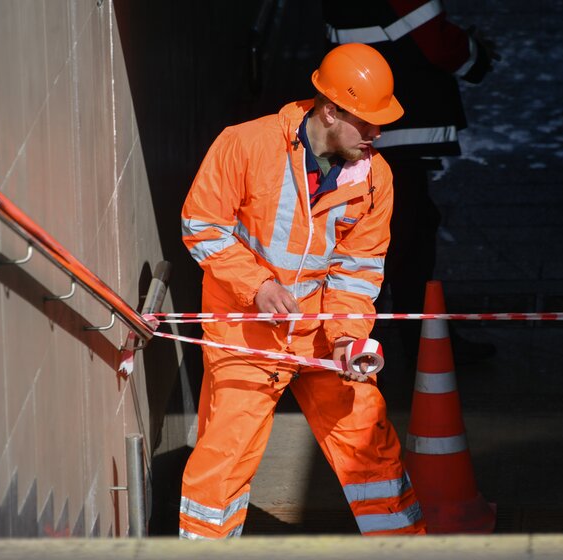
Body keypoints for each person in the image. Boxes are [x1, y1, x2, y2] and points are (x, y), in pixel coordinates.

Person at [179, 43, 425, 539]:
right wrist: (258, 286)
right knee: (224, 461)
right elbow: (202, 225)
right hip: (245, 331)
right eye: (367, 122)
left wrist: (347, 337)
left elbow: (357, 272)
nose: (377, 134)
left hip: (321, 335)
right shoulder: (246, 144)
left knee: (369, 449)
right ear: (330, 111)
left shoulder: (375, 178)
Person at [322, 0, 500, 368]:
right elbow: (437, 41)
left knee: (409, 231)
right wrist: (478, 54)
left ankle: (420, 342)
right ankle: (358, 347)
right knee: (400, 238)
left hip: (374, 125)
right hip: (394, 126)